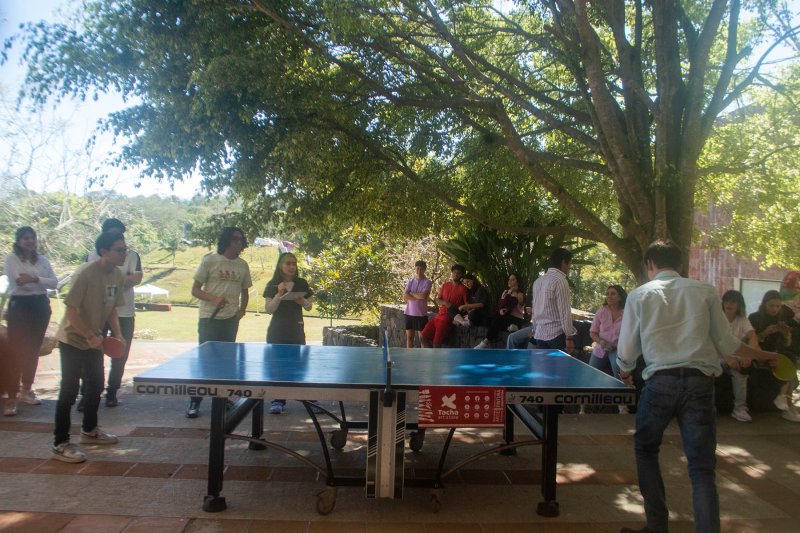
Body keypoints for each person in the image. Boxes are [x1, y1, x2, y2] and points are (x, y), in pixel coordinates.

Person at [617, 240, 779, 533]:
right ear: (680, 265)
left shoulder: (639, 295)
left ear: (649, 265)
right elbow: (728, 344)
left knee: (645, 449)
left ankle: (656, 526)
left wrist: (625, 371)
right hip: (700, 385)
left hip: (659, 385)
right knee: (702, 469)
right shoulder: (704, 291)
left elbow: (627, 351)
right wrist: (766, 355)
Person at [52, 231, 128, 463]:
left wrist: (118, 334)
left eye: (125, 249)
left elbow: (112, 308)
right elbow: (71, 311)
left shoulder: (117, 274)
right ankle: (60, 443)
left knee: (95, 386)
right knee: (69, 390)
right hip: (73, 340)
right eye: (120, 250)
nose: (125, 253)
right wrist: (88, 335)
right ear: (104, 252)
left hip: (95, 339)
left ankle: (89, 430)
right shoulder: (84, 274)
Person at [186, 227, 252, 418]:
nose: (238, 243)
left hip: (230, 320)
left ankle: (221, 400)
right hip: (209, 318)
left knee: (226, 363)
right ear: (226, 240)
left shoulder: (242, 265)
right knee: (205, 362)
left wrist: (241, 311)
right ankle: (195, 400)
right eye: (235, 239)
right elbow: (195, 290)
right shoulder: (210, 260)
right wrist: (214, 299)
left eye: (241, 240)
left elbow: (245, 290)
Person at [79, 218, 142, 409]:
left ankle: (112, 392)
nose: (119, 239)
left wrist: (114, 282)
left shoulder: (131, 255)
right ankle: (88, 393)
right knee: (91, 353)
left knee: (120, 353)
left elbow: (137, 277)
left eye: (121, 235)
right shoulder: (91, 256)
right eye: (113, 234)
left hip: (124, 312)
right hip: (97, 314)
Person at [2, 227, 57, 416]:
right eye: (25, 238)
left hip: (40, 305)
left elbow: (53, 283)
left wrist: (34, 278)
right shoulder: (11, 258)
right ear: (18, 241)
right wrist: (40, 280)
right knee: (16, 350)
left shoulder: (43, 260)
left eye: (32, 237)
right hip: (20, 306)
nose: (30, 241)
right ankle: (11, 396)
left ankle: (27, 389)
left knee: (33, 350)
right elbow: (18, 281)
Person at [264, 251, 313, 414]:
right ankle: (278, 399)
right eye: (288, 263)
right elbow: (269, 310)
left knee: (299, 365)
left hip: (296, 330)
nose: (291, 266)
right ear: (280, 265)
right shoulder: (272, 284)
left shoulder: (302, 283)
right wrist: (278, 294)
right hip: (277, 331)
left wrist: (302, 301)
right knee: (278, 367)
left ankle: (308, 398)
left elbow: (309, 306)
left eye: (294, 263)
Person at [748, 290, 800, 422]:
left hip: (778, 354)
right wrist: (765, 333)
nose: (775, 309)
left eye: (778, 306)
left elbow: (787, 345)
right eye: (771, 305)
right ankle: (788, 406)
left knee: (791, 358)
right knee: (787, 366)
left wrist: (787, 335)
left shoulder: (783, 319)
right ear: (765, 304)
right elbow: (750, 342)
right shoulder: (754, 318)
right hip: (761, 353)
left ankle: (783, 397)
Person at [718, 290, 760, 423]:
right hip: (717, 356)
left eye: (733, 302)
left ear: (739, 305)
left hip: (736, 357)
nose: (729, 304)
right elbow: (713, 342)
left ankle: (739, 408)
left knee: (740, 371)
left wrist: (749, 354)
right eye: (726, 301)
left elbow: (753, 336)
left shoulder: (742, 320)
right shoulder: (717, 319)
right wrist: (727, 359)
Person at [587, 285, 627, 414]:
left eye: (613, 293)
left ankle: (622, 406)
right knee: (590, 372)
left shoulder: (627, 313)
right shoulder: (601, 312)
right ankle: (583, 406)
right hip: (601, 347)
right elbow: (593, 332)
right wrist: (600, 341)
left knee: (619, 373)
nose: (609, 296)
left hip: (617, 349)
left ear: (620, 296)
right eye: (607, 293)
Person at [531, 248, 577, 352]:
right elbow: (565, 312)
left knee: (544, 368)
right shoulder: (561, 281)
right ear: (563, 262)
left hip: (540, 335)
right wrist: (569, 337)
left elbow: (535, 309)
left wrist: (534, 329)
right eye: (569, 263)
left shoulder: (538, 281)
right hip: (556, 336)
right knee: (559, 368)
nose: (570, 267)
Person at [419, 264, 468, 348]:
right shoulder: (445, 285)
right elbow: (437, 300)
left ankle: (436, 360)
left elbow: (466, 305)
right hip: (438, 316)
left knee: (436, 344)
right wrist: (445, 303)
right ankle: (431, 357)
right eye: (454, 272)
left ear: (462, 275)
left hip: (447, 319)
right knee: (423, 337)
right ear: (452, 273)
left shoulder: (463, 289)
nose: (455, 274)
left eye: (458, 273)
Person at [475, 273, 527, 349]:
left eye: (512, 280)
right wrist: (500, 311)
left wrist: (511, 291)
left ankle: (485, 342)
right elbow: (500, 305)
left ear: (518, 282)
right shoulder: (505, 292)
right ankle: (511, 328)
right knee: (488, 318)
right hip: (505, 318)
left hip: (516, 319)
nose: (509, 281)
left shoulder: (520, 295)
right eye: (509, 279)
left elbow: (510, 303)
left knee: (498, 319)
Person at [402, 260, 431, 347]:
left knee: (423, 339)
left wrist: (411, 294)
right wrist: (417, 296)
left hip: (421, 314)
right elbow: (404, 295)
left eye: (421, 269)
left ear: (425, 270)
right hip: (409, 313)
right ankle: (409, 358)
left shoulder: (427, 282)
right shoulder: (410, 281)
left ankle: (424, 359)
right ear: (415, 269)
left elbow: (423, 296)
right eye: (417, 268)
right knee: (410, 338)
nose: (419, 271)